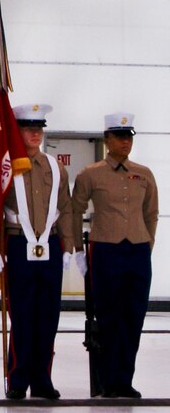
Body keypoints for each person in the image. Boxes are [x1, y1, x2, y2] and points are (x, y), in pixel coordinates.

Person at [71, 112, 158, 399]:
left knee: (133, 317)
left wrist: (147, 245)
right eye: (119, 137)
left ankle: (124, 379)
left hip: (136, 250)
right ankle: (106, 380)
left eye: (129, 137)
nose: (125, 142)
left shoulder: (143, 173)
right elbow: (75, 210)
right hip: (106, 248)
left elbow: (151, 213)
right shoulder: (90, 174)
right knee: (108, 316)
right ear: (107, 139)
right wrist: (78, 250)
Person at [0, 104, 74, 400]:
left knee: (47, 315)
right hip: (19, 244)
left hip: (50, 246)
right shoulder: (6, 166)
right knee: (21, 314)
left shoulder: (56, 167)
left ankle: (42, 377)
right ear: (17, 131)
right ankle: (18, 377)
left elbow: (66, 209)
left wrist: (68, 247)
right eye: (29, 128)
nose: (35, 133)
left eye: (38, 128)